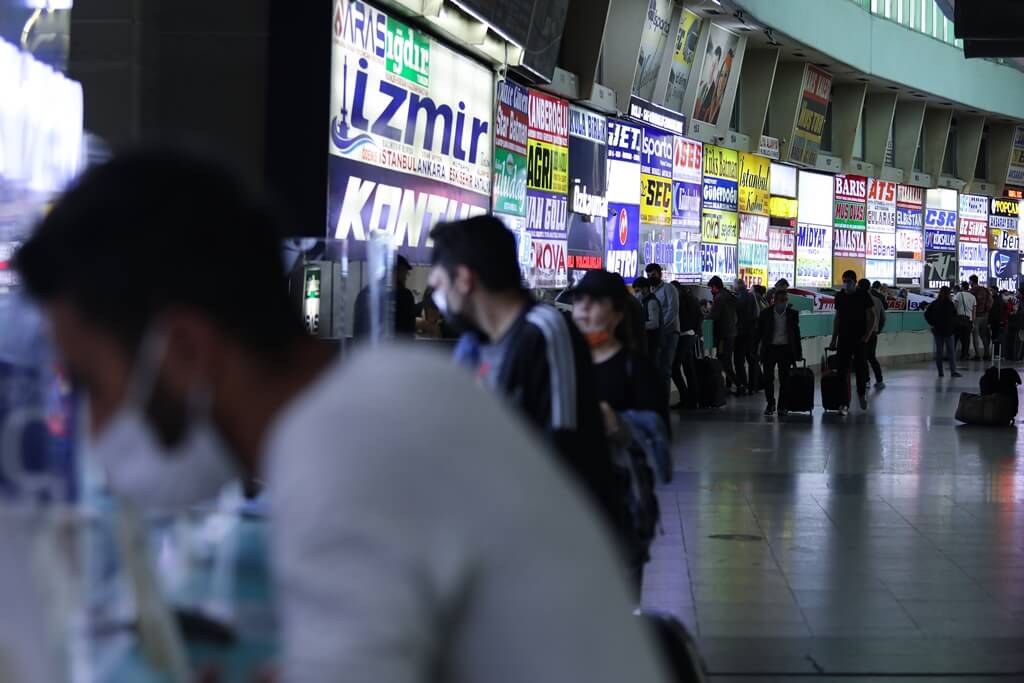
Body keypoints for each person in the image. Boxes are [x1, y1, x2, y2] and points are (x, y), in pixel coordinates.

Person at [14, 148, 671, 683]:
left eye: (93, 384)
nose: (96, 430)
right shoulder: (385, 395)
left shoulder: (342, 449)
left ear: (184, 349)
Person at [427, 216, 628, 540]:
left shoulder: (545, 331)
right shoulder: (476, 345)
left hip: (554, 543)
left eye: (438, 285)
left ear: (464, 280)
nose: (437, 297)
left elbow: (565, 448)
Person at [572, 271, 670, 591]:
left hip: (620, 504)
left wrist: (618, 424)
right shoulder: (562, 364)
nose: (584, 309)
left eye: (595, 302)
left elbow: (659, 441)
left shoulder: (637, 369)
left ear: (616, 313)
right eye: (579, 301)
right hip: (567, 501)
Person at [829, 270, 876, 414]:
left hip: (860, 338)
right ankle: (843, 402)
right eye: (844, 281)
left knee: (861, 368)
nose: (846, 284)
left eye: (849, 281)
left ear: (855, 282)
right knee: (842, 371)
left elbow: (872, 315)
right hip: (844, 338)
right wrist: (834, 339)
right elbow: (837, 318)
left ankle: (861, 394)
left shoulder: (863, 295)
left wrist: (867, 335)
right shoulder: (840, 297)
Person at [756, 290, 803, 416]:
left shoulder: (792, 314)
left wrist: (798, 353)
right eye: (782, 300)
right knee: (767, 378)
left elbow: (796, 334)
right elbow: (758, 333)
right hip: (769, 349)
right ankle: (770, 403)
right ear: (775, 300)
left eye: (786, 300)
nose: (784, 303)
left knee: (785, 379)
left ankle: (782, 406)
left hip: (785, 350)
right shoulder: (766, 314)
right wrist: (755, 349)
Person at [353, 254, 416, 340]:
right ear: (397, 271)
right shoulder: (404, 296)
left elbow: (358, 332)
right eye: (405, 273)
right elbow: (408, 333)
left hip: (366, 350)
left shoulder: (365, 293)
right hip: (395, 351)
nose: (405, 278)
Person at [644, 263, 679, 389]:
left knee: (665, 367)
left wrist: (661, 326)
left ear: (660, 274)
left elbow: (672, 311)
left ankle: (664, 403)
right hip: (657, 335)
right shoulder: (650, 291)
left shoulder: (669, 289)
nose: (650, 277)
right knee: (656, 368)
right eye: (648, 275)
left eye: (653, 275)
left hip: (670, 333)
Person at [673, 282, 704, 410]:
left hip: (684, 335)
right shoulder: (692, 298)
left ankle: (685, 397)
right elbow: (700, 316)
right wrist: (696, 332)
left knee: (674, 367)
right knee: (689, 368)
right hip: (691, 335)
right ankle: (692, 399)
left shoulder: (680, 300)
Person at [708, 276, 740, 393]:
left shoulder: (720, 298)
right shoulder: (729, 295)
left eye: (711, 288)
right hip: (731, 332)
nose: (711, 290)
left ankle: (738, 385)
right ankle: (729, 384)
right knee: (727, 360)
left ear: (715, 287)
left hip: (723, 335)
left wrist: (703, 316)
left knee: (723, 360)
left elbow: (712, 316)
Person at [925, 286, 961, 378]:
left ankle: (940, 372)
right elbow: (954, 317)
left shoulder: (935, 303)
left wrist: (932, 323)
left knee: (939, 352)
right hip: (949, 331)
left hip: (937, 330)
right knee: (951, 352)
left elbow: (926, 314)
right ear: (948, 294)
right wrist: (953, 327)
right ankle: (953, 371)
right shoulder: (950, 304)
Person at [733, 279, 761, 394]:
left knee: (739, 361)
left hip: (740, 333)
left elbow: (734, 316)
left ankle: (743, 385)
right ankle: (753, 387)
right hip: (751, 332)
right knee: (752, 360)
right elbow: (757, 313)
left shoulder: (736, 298)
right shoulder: (752, 297)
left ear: (736, 287)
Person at [863, 279, 886, 388]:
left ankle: (866, 380)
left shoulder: (859, 300)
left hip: (862, 333)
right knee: (872, 357)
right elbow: (883, 318)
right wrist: (878, 329)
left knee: (862, 357)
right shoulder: (878, 300)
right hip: (873, 333)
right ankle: (879, 380)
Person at [634, 276, 661, 360]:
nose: (636, 294)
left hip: (653, 342)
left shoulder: (652, 302)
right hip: (648, 342)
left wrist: (637, 325)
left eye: (638, 291)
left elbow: (654, 323)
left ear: (645, 289)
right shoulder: (644, 302)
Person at [953, 281, 977, 361]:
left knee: (955, 338)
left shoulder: (959, 294)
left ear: (962, 287)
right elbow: (974, 311)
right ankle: (964, 355)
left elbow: (955, 307)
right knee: (966, 340)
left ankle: (952, 354)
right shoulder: (973, 297)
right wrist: (973, 322)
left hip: (959, 319)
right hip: (968, 321)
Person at [970, 274, 992, 360]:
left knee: (975, 335)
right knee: (984, 335)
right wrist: (986, 311)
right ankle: (987, 354)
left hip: (976, 316)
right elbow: (991, 301)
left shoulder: (972, 291)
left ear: (972, 281)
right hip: (985, 316)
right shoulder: (985, 290)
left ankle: (977, 355)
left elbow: (971, 304)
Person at [990, 286, 1007, 359]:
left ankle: (996, 353)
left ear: (995, 291)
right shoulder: (1000, 299)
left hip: (995, 321)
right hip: (998, 321)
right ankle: (997, 353)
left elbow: (994, 311)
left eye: (992, 290)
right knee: (997, 337)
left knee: (995, 338)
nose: (991, 291)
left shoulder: (994, 299)